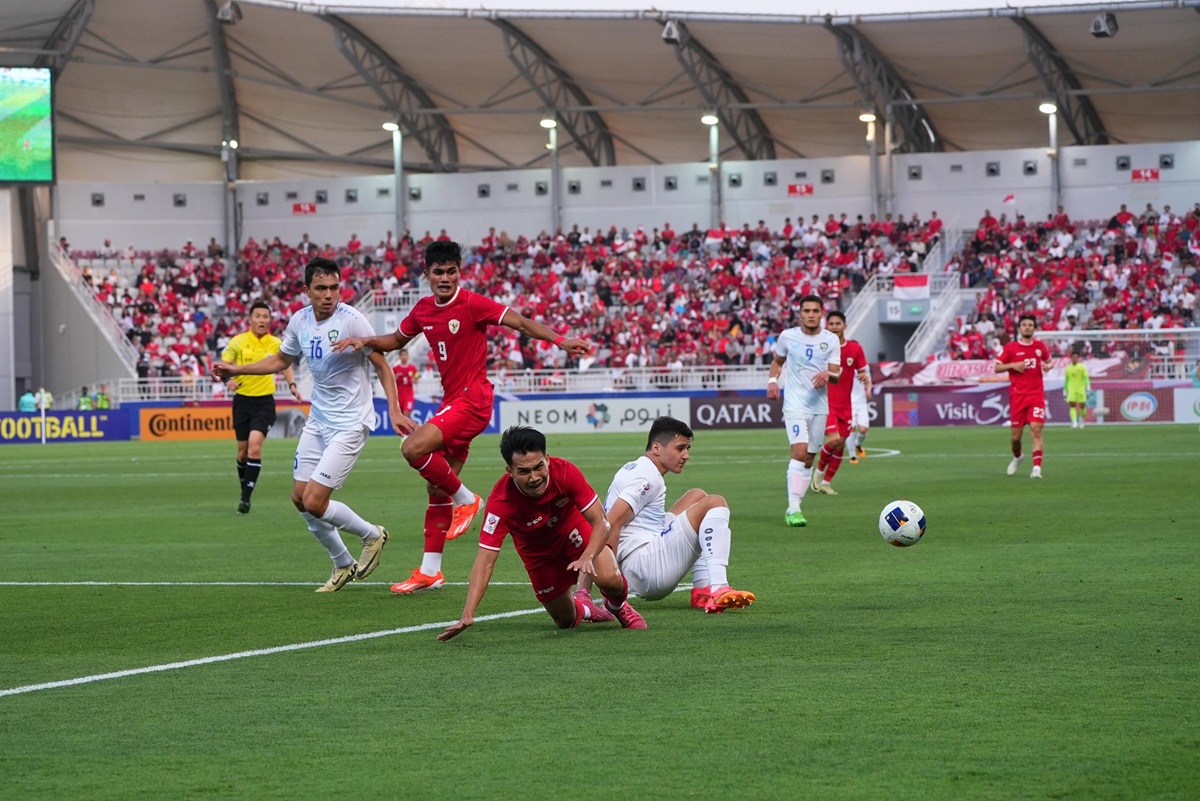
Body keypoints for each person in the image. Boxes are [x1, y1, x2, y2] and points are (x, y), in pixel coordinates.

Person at [333, 240, 592, 595]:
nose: (445, 278)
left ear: (459, 272)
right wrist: (364, 340)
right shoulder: (424, 310)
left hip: (474, 400)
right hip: (453, 401)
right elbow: (395, 340)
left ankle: (468, 499)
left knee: (412, 448)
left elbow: (519, 322)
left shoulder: (472, 303)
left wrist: (559, 339)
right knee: (435, 486)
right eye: (438, 272)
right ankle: (430, 571)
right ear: (426, 275)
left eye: (451, 271)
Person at [212, 257, 401, 592]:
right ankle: (342, 563)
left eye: (334, 288)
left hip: (350, 423)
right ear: (307, 291)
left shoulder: (352, 321)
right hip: (318, 420)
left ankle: (372, 535)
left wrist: (396, 411)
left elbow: (383, 365)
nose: (329, 295)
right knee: (299, 498)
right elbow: (281, 360)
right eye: (321, 288)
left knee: (315, 501)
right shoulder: (299, 320)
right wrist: (235, 370)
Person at [437, 426, 646, 641]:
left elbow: (601, 522)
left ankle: (618, 606)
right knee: (565, 621)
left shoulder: (565, 472)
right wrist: (468, 614)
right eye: (524, 472)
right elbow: (485, 561)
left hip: (572, 529)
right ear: (509, 471)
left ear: (547, 458)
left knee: (610, 578)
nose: (534, 477)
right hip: (537, 553)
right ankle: (585, 608)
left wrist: (588, 556)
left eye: (539, 467)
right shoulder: (500, 503)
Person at [599, 416, 754, 614]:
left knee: (696, 496)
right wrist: (611, 590)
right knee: (715, 503)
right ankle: (719, 587)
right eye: (680, 448)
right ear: (657, 448)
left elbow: (603, 523)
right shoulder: (647, 478)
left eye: (687, 449)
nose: (686, 455)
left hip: (637, 560)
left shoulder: (636, 466)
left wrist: (585, 591)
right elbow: (610, 523)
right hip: (644, 569)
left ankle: (702, 590)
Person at [220, 301, 302, 515]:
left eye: (266, 316)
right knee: (242, 453)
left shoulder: (275, 343)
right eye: (258, 316)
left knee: (255, 446)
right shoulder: (238, 342)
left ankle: (246, 499)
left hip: (265, 402)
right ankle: (244, 488)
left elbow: (285, 364)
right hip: (242, 401)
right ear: (250, 319)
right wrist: (227, 381)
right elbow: (223, 366)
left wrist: (292, 385)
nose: (262, 320)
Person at [766, 295, 841, 527]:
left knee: (809, 457)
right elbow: (777, 361)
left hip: (819, 407)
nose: (810, 314)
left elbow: (836, 374)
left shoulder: (830, 340)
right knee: (799, 452)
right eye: (806, 310)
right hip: (795, 405)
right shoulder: (788, 337)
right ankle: (793, 508)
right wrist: (772, 380)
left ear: (821, 314)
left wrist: (828, 375)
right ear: (800, 313)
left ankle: (797, 502)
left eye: (815, 311)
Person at [813, 311, 869, 494]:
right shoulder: (821, 349)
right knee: (834, 440)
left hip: (847, 404)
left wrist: (862, 375)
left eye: (838, 323)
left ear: (844, 326)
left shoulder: (855, 349)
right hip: (826, 403)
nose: (835, 326)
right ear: (827, 327)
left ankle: (826, 483)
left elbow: (862, 371)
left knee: (841, 444)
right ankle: (819, 473)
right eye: (832, 324)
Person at [995, 314, 1052, 478]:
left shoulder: (1040, 346)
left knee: (1036, 429)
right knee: (1015, 438)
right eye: (1024, 325)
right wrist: (1013, 365)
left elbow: (1049, 362)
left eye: (1030, 325)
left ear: (1034, 328)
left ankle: (1036, 469)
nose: (1027, 327)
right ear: (1019, 329)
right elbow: (997, 368)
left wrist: (1048, 366)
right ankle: (1018, 456)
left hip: (1036, 395)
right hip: (1017, 397)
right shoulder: (1011, 348)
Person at [846, 353, 872, 464]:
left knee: (863, 430)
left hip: (861, 403)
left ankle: (857, 443)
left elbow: (868, 381)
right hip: (848, 402)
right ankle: (852, 455)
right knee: (851, 428)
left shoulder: (864, 367)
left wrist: (868, 390)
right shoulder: (846, 365)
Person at [1062, 350, 1090, 429]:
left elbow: (1086, 378)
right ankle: (1074, 422)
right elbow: (1066, 380)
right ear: (1071, 358)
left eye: (1076, 357)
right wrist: (1064, 391)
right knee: (1072, 405)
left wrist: (1088, 388)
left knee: (1082, 406)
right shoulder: (1068, 368)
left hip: (1081, 389)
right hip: (1071, 389)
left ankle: (1081, 419)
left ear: (1078, 358)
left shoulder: (1082, 367)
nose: (1074, 359)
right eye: (1073, 357)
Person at [392, 349, 418, 416]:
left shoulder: (413, 368)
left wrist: (413, 380)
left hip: (409, 395)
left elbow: (416, 379)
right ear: (399, 357)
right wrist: (395, 378)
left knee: (406, 414)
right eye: (402, 355)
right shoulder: (395, 369)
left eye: (405, 355)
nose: (404, 356)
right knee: (400, 416)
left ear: (408, 356)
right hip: (398, 396)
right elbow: (391, 381)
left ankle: (407, 426)